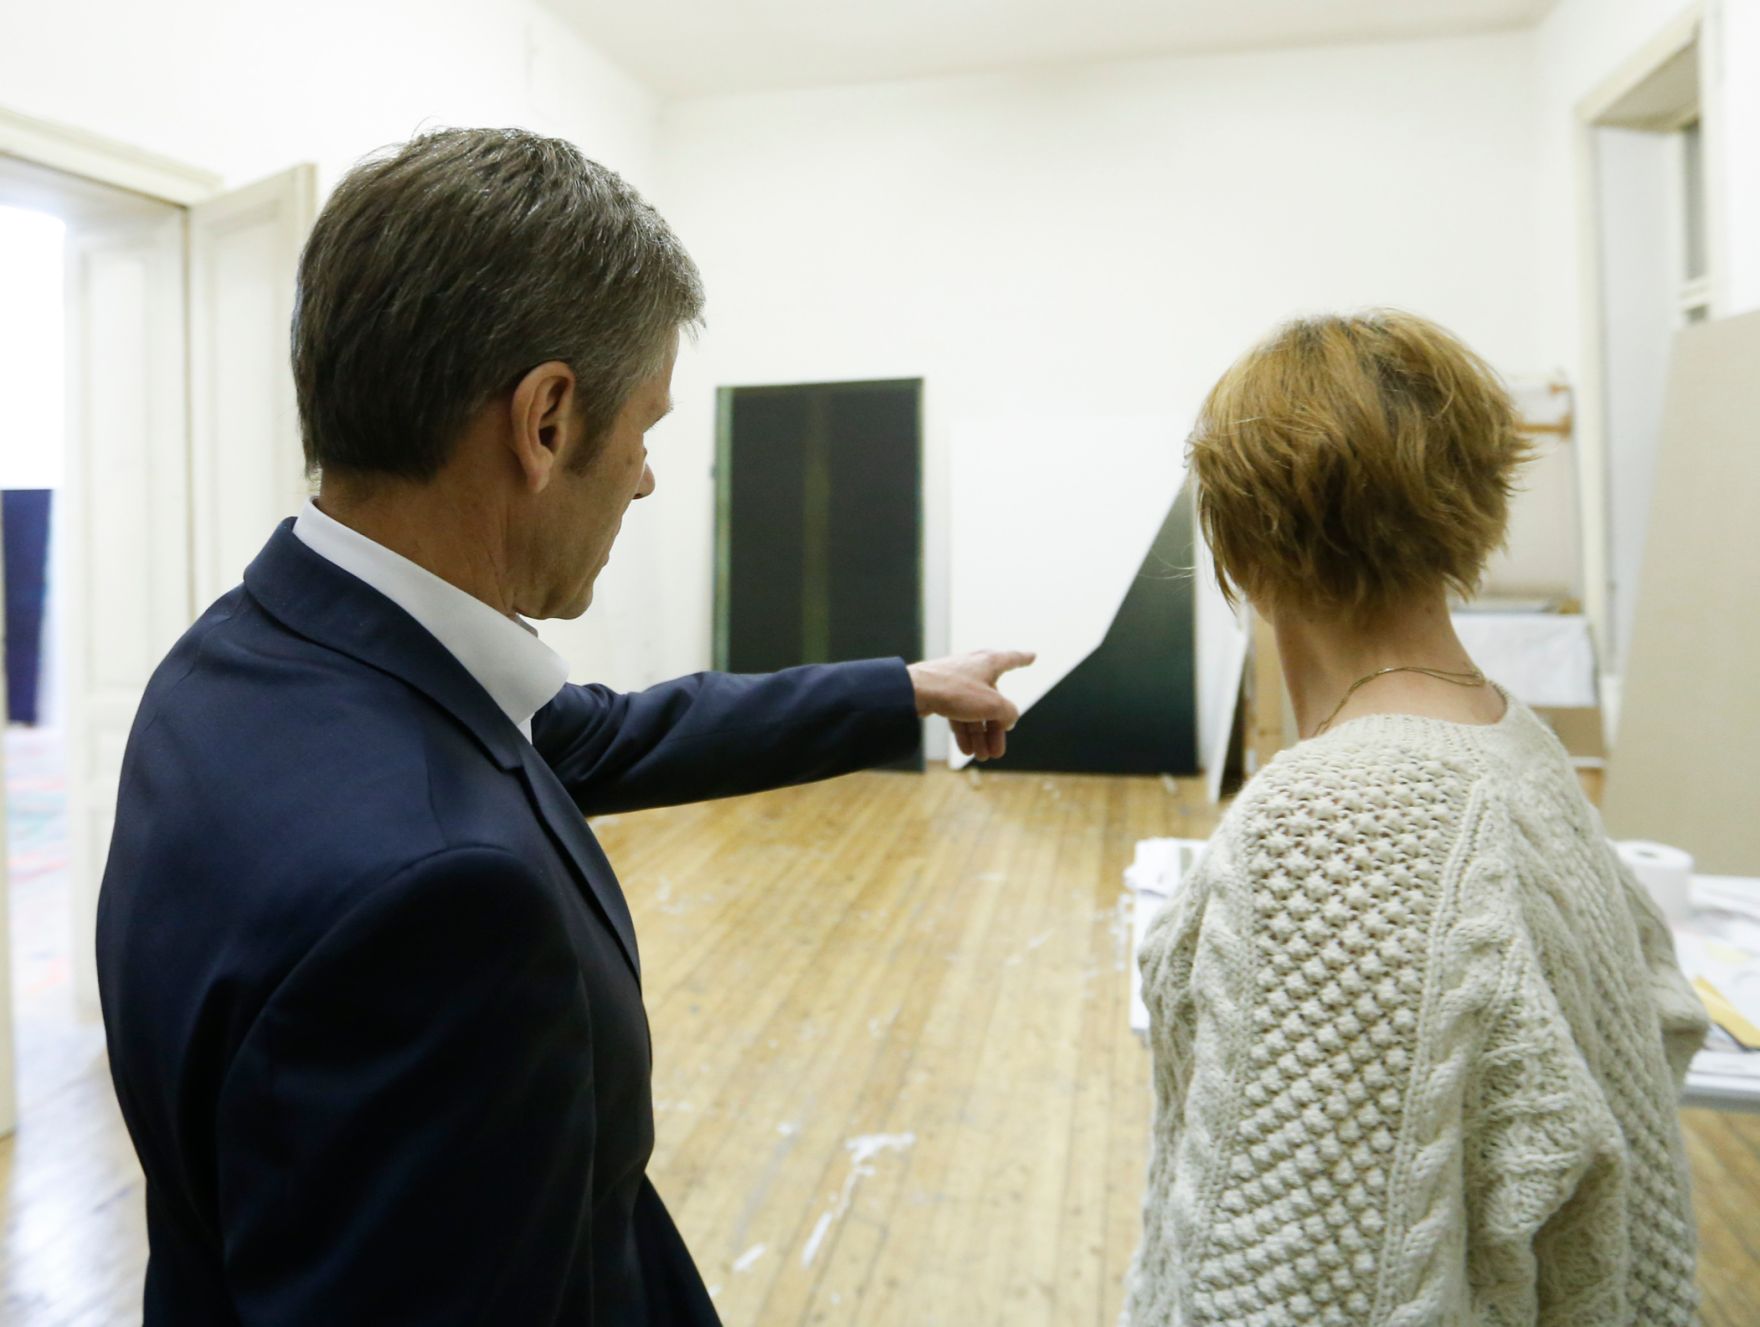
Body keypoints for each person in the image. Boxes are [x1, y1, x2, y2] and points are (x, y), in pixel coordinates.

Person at [96, 128, 1030, 1325]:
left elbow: (591, 738)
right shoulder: (441, 904)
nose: (644, 477)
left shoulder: (243, 655)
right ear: (544, 421)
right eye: (645, 425)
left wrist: (901, 685)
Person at [1125, 310, 1707, 1326]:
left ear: (1239, 541)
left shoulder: (1335, 828)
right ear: (1473, 508)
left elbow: (1291, 1290)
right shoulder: (1514, 744)